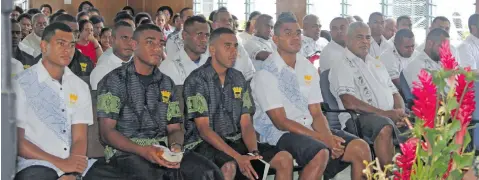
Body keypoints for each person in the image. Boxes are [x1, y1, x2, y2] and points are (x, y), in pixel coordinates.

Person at [96, 24, 223, 180]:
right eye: (150, 42)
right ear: (134, 45)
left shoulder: (166, 83)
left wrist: (175, 147)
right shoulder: (114, 81)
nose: (157, 48)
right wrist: (143, 150)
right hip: (127, 152)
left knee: (206, 171)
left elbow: (174, 128)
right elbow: (106, 133)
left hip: (162, 149)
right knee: (156, 175)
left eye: (161, 44)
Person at [252, 16, 372, 180]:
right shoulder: (266, 74)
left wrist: (328, 136)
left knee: (360, 147)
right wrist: (324, 139)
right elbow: (281, 122)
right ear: (275, 39)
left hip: (309, 128)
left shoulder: (306, 66)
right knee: (320, 152)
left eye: (298, 33)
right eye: (288, 33)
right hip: (279, 134)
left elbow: (316, 112)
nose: (295, 37)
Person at [183, 27, 294, 180]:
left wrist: (254, 152)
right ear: (213, 50)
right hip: (205, 145)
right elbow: (204, 130)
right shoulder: (197, 80)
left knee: (284, 159)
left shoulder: (238, 78)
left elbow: (246, 123)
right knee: (230, 166)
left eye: (235, 46)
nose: (233, 51)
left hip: (236, 140)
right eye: (227, 46)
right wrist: (238, 157)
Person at [13, 22, 96, 180]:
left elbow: (79, 138)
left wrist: (72, 172)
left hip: (73, 164)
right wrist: (61, 165)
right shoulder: (21, 83)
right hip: (35, 164)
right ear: (44, 46)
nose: (68, 50)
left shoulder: (79, 86)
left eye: (71, 45)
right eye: (61, 44)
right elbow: (18, 141)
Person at [329, 22, 406, 168]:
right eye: (360, 37)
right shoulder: (341, 63)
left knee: (420, 122)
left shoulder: (376, 63)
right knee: (384, 126)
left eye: (367, 37)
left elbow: (394, 92)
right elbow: (349, 102)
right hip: (357, 119)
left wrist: (400, 112)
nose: (365, 41)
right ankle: (386, 176)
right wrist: (386, 114)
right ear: (348, 39)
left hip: (388, 114)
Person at [159, 16, 211, 86]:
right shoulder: (169, 66)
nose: (204, 39)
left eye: (207, 35)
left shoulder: (211, 64)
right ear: (184, 35)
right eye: (199, 34)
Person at [210, 7, 256, 80]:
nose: (228, 23)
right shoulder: (206, 47)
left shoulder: (239, 47)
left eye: (230, 20)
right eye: (223, 20)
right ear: (214, 25)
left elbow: (250, 76)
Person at [90, 21, 134, 90]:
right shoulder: (102, 69)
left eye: (132, 38)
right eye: (124, 38)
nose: (129, 43)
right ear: (113, 40)